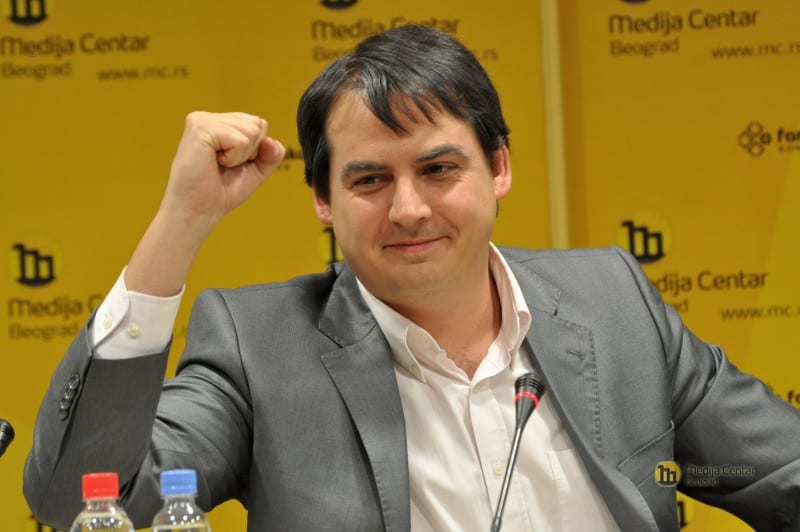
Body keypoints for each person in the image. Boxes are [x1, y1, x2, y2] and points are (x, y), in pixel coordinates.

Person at [23, 24, 800, 532]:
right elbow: (84, 496)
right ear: (323, 201)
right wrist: (182, 219)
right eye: (369, 180)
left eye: (438, 169)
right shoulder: (260, 347)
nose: (408, 209)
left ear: (498, 168)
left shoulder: (612, 302)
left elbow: (777, 471)